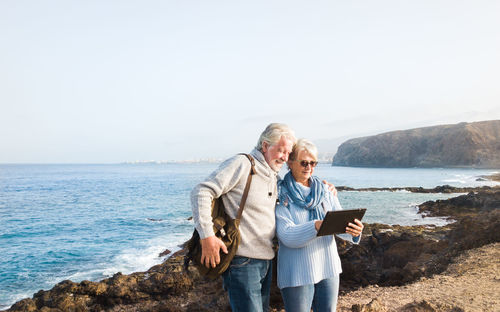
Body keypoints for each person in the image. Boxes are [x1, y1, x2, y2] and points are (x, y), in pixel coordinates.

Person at [191, 123, 296, 312]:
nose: (285, 157)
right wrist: (207, 236)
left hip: (266, 260)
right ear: (265, 146)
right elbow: (201, 191)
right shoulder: (242, 164)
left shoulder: (272, 175)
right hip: (242, 263)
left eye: (288, 153)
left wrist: (324, 189)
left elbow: (298, 190)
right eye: (281, 151)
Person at [275, 138, 364, 312]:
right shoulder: (280, 193)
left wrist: (354, 231)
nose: (309, 167)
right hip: (297, 271)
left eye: (313, 163)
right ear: (290, 163)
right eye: (303, 162)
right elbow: (287, 236)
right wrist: (316, 225)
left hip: (328, 267)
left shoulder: (325, 191)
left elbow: (339, 225)